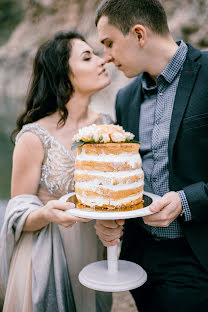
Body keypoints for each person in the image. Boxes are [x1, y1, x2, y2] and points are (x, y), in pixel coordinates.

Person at [94, 0, 208, 311]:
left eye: (109, 43)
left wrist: (186, 201)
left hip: (195, 255)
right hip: (138, 257)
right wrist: (109, 219)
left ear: (139, 34)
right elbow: (126, 177)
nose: (106, 57)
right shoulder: (125, 98)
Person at [0, 30, 112, 312]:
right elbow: (17, 213)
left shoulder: (109, 125)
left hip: (95, 250)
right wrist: (45, 213)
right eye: (88, 57)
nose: (102, 61)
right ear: (63, 74)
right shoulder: (34, 136)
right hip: (46, 253)